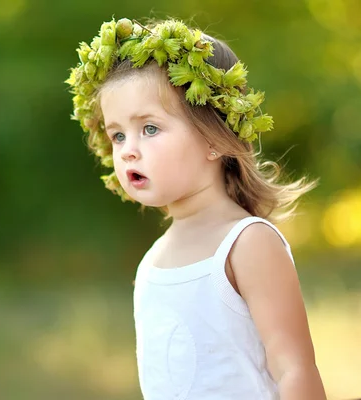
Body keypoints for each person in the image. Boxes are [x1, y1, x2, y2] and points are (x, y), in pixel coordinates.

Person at [66, 18, 327, 399]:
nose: (128, 149)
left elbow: (294, 369)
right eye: (117, 134)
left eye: (149, 129)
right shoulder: (153, 261)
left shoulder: (247, 243)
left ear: (214, 139)